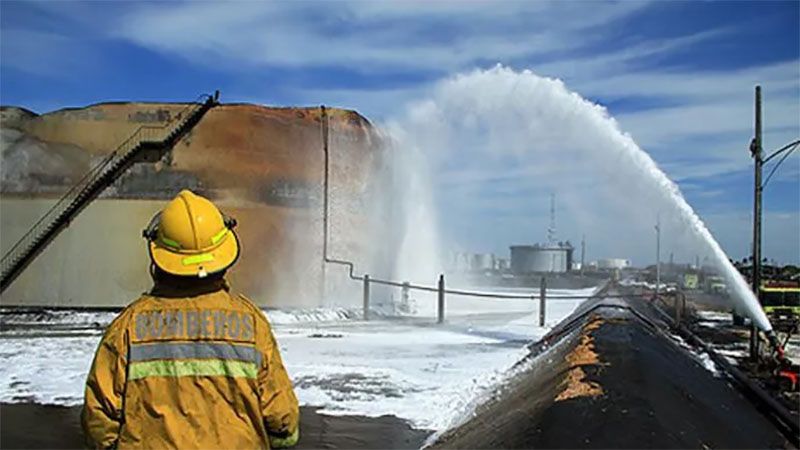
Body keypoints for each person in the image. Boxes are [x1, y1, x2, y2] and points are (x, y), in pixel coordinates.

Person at [81, 190, 299, 449]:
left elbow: (99, 418)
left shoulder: (129, 326)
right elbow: (282, 419)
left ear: (159, 256)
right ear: (223, 255)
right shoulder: (251, 324)